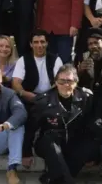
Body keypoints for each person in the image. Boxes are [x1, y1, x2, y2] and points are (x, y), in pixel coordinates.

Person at [25, 64, 97, 184]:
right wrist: (26, 152)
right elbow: (31, 128)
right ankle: (70, 183)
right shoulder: (43, 101)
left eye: (69, 81)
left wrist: (95, 155)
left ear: (76, 82)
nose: (65, 85)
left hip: (73, 141)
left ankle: (51, 178)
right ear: (56, 82)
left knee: (89, 142)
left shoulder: (86, 97)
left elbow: (92, 124)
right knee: (50, 141)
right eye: (61, 81)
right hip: (48, 143)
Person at [12, 29, 63, 160]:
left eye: (42, 42)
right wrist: (24, 93)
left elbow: (59, 81)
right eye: (36, 42)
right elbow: (16, 82)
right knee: (28, 114)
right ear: (30, 44)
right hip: (28, 97)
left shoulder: (55, 59)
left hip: (50, 97)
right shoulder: (23, 60)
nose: (39, 45)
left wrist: (46, 96)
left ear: (47, 43)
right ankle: (26, 151)